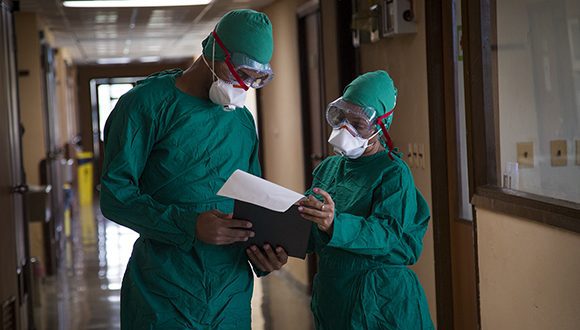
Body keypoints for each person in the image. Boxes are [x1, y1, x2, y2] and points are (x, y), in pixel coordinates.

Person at [100, 9, 288, 329]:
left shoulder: (241, 121)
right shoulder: (146, 105)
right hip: (163, 288)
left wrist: (267, 253)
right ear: (214, 50)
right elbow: (115, 196)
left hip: (229, 289)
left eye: (255, 79)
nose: (244, 85)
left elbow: (254, 204)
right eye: (240, 72)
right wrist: (188, 225)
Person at [298, 71, 434, 329]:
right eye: (341, 118)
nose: (344, 129)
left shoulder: (393, 172)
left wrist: (335, 224)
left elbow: (388, 234)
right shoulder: (329, 169)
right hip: (333, 295)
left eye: (358, 124)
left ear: (380, 127)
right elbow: (310, 227)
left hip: (379, 302)